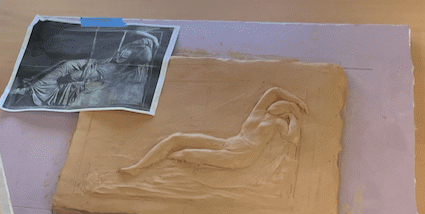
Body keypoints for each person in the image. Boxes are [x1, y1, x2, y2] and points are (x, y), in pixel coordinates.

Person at [120, 86, 308, 175]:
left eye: (283, 107)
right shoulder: (259, 112)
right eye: (277, 104)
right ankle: (138, 167)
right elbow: (274, 91)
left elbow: (293, 138)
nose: (275, 105)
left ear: (285, 112)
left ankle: (156, 169)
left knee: (185, 154)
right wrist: (297, 101)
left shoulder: (278, 124)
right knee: (176, 138)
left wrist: (294, 117)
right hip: (229, 143)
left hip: (242, 156)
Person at [14, 30, 160, 108]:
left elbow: (146, 55)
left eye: (143, 41)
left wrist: (152, 43)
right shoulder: (133, 45)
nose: (140, 40)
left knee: (70, 77)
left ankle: (38, 93)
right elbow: (137, 34)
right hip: (95, 63)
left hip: (99, 74)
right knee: (66, 65)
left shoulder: (138, 59)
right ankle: (32, 88)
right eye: (141, 40)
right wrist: (151, 39)